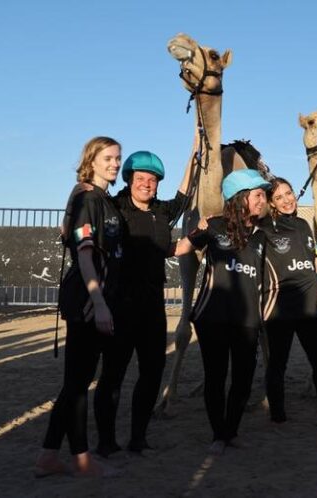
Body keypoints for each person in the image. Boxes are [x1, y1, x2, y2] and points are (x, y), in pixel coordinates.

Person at [35, 136, 124, 477]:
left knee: (77, 381)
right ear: (91, 160)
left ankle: (48, 456)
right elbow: (85, 255)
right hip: (87, 300)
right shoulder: (88, 198)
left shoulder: (102, 199)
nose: (114, 163)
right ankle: (82, 459)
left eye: (117, 158)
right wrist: (98, 302)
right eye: (107, 158)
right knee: (77, 384)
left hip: (98, 299)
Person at [92, 150, 191, 457]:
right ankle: (106, 443)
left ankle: (138, 438)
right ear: (129, 180)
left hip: (152, 307)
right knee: (113, 375)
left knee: (152, 372)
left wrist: (195, 149)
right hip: (119, 305)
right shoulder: (113, 208)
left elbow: (184, 194)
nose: (146, 184)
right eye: (140, 178)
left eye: (152, 179)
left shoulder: (162, 212)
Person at [173, 169, 270, 454]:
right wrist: (197, 229)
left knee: (244, 378)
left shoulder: (262, 235)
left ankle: (231, 431)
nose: (263, 200)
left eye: (263, 195)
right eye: (258, 195)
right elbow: (180, 249)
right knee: (215, 377)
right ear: (240, 198)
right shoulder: (214, 226)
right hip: (212, 317)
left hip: (247, 319)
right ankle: (219, 434)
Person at [260, 177, 317, 426]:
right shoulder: (264, 227)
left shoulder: (303, 225)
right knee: (277, 366)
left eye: (288, 193)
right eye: (279, 197)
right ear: (271, 203)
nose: (287, 200)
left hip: (309, 308)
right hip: (279, 310)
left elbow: (316, 257)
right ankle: (278, 418)